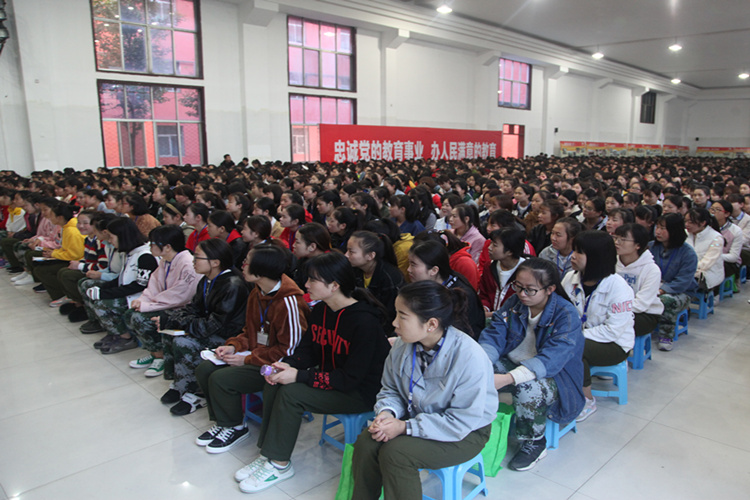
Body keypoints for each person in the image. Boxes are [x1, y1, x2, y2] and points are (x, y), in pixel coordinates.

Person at [234, 252, 390, 494]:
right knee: (276, 382)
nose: (306, 285)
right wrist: (287, 365)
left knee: (292, 394)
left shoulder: (364, 323)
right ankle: (268, 454)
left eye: (313, 280)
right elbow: (308, 351)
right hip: (335, 381)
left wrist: (299, 376)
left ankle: (280, 464)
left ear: (334, 285)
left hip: (359, 392)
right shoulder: (321, 311)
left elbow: (349, 379)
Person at [351, 281, 497, 499]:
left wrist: (404, 427)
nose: (394, 323)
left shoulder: (469, 356)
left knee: (396, 454)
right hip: (419, 416)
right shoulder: (402, 345)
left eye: (402, 316)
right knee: (367, 441)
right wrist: (387, 413)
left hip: (466, 432)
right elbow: (390, 389)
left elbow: (461, 420)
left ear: (431, 324)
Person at [194, 244, 309, 454]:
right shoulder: (256, 292)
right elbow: (250, 331)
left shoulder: (289, 301)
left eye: (247, 262)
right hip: (257, 355)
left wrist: (247, 359)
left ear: (261, 271)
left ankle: (236, 427)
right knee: (205, 369)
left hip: (276, 365)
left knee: (221, 379)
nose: (242, 265)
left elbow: (290, 351)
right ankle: (223, 421)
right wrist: (233, 346)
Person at [479, 258, 584, 471]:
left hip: (555, 375)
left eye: (530, 290)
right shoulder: (515, 303)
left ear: (550, 289)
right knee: (476, 370)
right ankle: (474, 422)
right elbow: (494, 334)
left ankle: (534, 441)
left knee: (528, 388)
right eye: (518, 286)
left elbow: (551, 360)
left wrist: (508, 379)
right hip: (514, 363)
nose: (522, 294)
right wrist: (483, 363)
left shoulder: (566, 314)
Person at [157, 239, 249, 416]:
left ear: (215, 262)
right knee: (168, 333)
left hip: (229, 337)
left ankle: (196, 392)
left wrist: (180, 321)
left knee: (184, 342)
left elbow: (210, 326)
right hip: (210, 327)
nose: (193, 261)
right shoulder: (206, 280)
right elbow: (194, 308)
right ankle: (180, 384)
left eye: (197, 257)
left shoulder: (233, 285)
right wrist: (173, 319)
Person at [562, 230, 634, 422]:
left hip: (614, 344)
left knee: (574, 348)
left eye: (579, 252)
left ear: (596, 257)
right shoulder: (570, 278)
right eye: (574, 250)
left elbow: (613, 330)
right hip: (578, 335)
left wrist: (576, 335)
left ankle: (587, 400)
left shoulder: (619, 288)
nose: (573, 256)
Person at [124, 225, 200, 378]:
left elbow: (180, 295)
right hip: (165, 303)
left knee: (140, 318)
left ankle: (161, 357)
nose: (150, 246)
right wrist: (142, 300)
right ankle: (154, 353)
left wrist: (148, 305)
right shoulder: (165, 261)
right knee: (129, 314)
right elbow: (154, 285)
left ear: (167, 247)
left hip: (182, 308)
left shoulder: (187, 263)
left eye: (153, 243)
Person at [83, 217, 158, 354]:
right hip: (131, 292)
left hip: (140, 297)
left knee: (103, 303)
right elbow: (122, 278)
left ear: (123, 237)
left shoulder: (145, 255)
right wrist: (102, 289)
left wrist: (104, 293)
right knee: (93, 291)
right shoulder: (130, 252)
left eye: (111, 237)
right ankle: (114, 332)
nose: (109, 241)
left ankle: (125, 337)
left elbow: (139, 286)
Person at [407, 239, 485, 339]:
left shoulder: (459, 295)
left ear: (434, 270)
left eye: (413, 265)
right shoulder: (429, 285)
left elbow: (459, 336)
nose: (408, 269)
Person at [649, 214, 698, 351]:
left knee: (666, 300)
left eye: (663, 228)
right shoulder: (651, 247)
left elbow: (683, 281)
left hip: (680, 292)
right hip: (654, 286)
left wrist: (661, 290)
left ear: (674, 230)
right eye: (657, 227)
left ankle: (666, 336)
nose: (658, 231)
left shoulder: (688, 253)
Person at [346, 230, 405, 332]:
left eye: (351, 252)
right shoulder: (355, 270)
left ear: (370, 256)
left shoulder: (390, 278)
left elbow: (391, 315)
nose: (346, 255)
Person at [614, 223, 664, 337]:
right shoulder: (611, 262)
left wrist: (612, 309)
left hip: (644, 314)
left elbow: (641, 304)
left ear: (638, 245)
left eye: (623, 239)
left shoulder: (651, 270)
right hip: (614, 309)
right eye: (615, 238)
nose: (617, 242)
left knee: (616, 323)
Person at [31, 203, 85, 304]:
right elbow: (65, 248)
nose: (49, 217)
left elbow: (75, 255)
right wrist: (53, 253)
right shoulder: (66, 227)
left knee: (45, 270)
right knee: (39, 265)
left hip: (77, 261)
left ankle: (64, 295)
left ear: (60, 217)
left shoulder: (71, 230)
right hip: (70, 258)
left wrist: (54, 254)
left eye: (52, 215)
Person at [478, 227, 527, 317]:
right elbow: (484, 294)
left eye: (494, 245)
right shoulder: (489, 266)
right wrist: (484, 308)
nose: (489, 248)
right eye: (491, 243)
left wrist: (496, 315)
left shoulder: (527, 271)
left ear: (509, 252)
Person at [685, 208, 725, 292]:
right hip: (687, 270)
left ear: (703, 223)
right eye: (686, 221)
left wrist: (686, 269)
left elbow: (706, 263)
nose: (686, 224)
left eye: (691, 222)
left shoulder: (716, 238)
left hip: (707, 273)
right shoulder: (685, 234)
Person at [710, 200, 744, 284]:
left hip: (728, 262)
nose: (713, 212)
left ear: (727, 214)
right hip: (708, 259)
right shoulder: (706, 227)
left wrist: (713, 257)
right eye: (712, 209)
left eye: (717, 210)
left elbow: (734, 257)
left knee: (713, 268)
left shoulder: (735, 231)